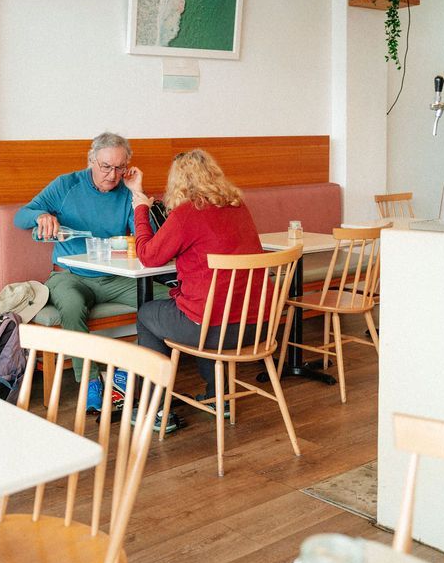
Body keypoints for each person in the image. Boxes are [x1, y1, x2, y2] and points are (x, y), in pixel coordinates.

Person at [14, 131, 167, 409]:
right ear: (91, 161)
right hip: (68, 275)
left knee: (166, 299)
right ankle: (90, 382)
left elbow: (150, 241)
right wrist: (41, 215)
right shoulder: (66, 185)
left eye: (120, 168)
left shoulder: (125, 192)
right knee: (71, 306)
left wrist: (138, 193)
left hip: (115, 277)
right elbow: (20, 216)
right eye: (105, 166)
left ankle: (131, 369)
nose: (112, 175)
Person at [126, 149, 268, 431]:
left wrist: (140, 209)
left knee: (148, 313)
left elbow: (149, 256)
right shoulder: (239, 207)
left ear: (178, 182)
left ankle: (155, 410)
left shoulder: (187, 213)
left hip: (214, 329)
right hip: (257, 326)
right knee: (204, 308)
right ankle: (219, 397)